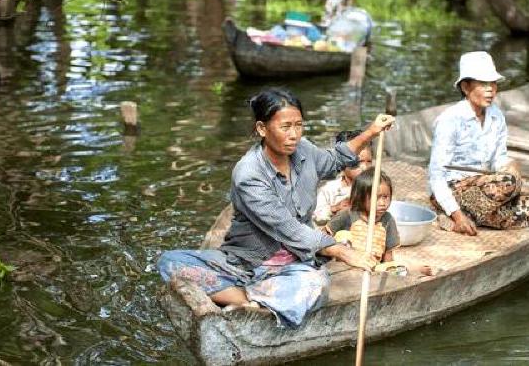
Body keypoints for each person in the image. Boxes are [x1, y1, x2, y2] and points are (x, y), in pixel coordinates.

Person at [157, 88, 394, 328]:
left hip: (294, 263)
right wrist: (343, 251)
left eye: (299, 125)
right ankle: (247, 299)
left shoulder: (304, 150)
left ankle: (250, 300)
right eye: (285, 127)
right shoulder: (249, 174)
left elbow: (334, 160)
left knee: (316, 286)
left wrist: (371, 132)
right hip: (247, 262)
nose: (294, 135)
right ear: (262, 129)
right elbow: (288, 228)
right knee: (170, 262)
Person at [428, 51, 529, 236]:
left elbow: (499, 158)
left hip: (485, 190)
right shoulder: (450, 120)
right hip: (454, 190)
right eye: (483, 84)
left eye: (493, 84)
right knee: (509, 182)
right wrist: (458, 216)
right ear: (465, 87)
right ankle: (455, 214)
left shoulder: (496, 116)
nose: (491, 89)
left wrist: (510, 166)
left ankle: (476, 217)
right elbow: (436, 176)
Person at [324, 169, 433, 276]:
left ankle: (416, 269)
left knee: (398, 268)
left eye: (386, 197)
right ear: (361, 197)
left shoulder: (388, 220)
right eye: (376, 198)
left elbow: (388, 256)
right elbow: (323, 236)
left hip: (373, 268)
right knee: (343, 235)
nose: (382, 203)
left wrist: (389, 269)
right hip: (346, 265)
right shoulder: (348, 214)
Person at [312, 130, 372, 225]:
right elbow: (317, 217)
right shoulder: (329, 190)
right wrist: (335, 208)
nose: (364, 167)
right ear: (343, 161)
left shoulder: (374, 188)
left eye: (369, 162)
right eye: (358, 162)